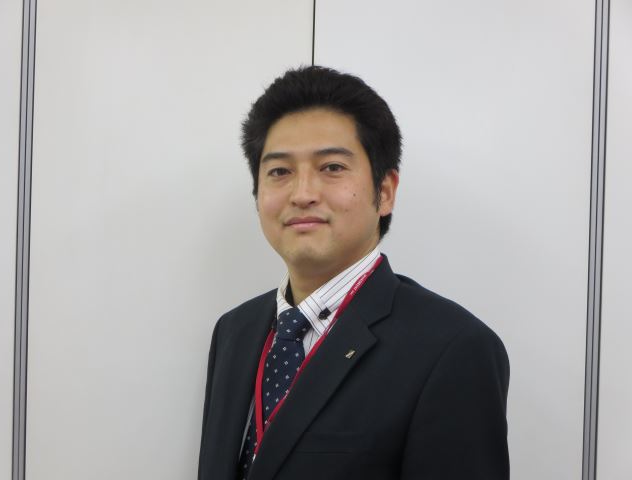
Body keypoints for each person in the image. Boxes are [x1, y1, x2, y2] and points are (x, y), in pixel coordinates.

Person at [197, 66, 509, 480]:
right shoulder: (234, 331)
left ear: (385, 192)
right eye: (279, 171)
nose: (303, 194)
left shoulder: (453, 348)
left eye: (331, 167)